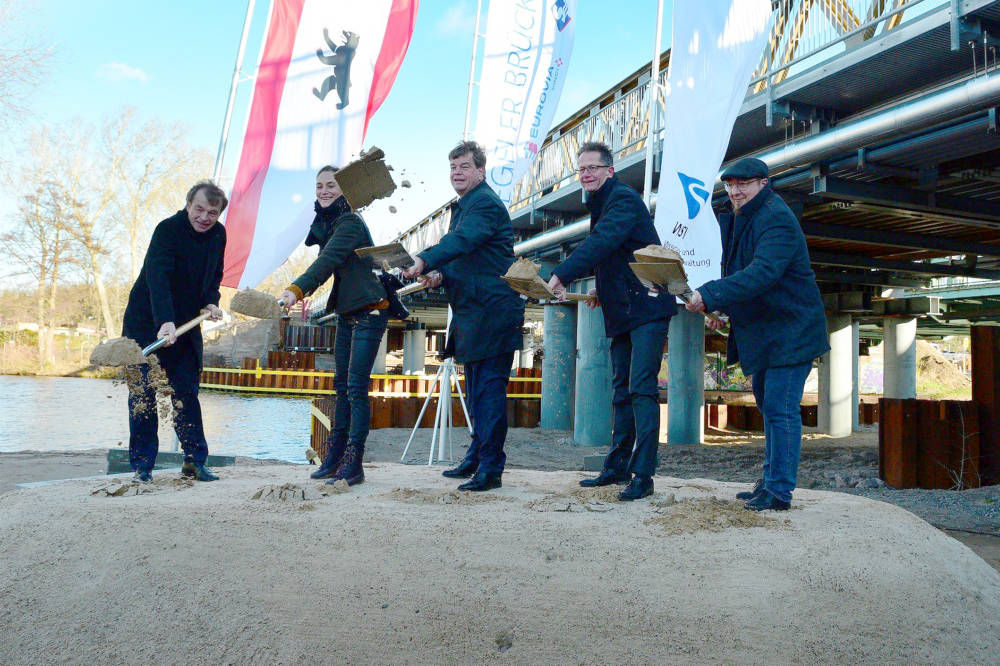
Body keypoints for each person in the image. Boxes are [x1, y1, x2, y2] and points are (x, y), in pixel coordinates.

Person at [685, 157, 829, 511]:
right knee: (770, 408)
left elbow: (764, 273)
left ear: (763, 183)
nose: (735, 191)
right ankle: (769, 484)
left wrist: (710, 294)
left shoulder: (775, 218)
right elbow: (750, 277)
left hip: (792, 332)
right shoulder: (746, 217)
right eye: (730, 185)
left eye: (743, 184)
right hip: (771, 332)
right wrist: (723, 309)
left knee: (780, 409)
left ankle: (779, 492)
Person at [547, 141, 675, 501]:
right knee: (620, 391)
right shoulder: (601, 203)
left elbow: (604, 242)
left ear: (610, 171)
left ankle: (644, 475)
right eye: (581, 169)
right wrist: (600, 291)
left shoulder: (622, 199)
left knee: (641, 389)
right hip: (623, 309)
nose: (586, 174)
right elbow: (616, 256)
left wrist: (563, 274)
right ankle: (617, 466)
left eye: (593, 168)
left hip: (648, 308)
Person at [402, 141, 525, 492]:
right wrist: (441, 275)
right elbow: (466, 256)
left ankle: (491, 468)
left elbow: (462, 242)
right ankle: (476, 455)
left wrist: (425, 261)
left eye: (464, 167)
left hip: (493, 313)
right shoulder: (467, 205)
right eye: (453, 167)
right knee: (476, 393)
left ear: (481, 171)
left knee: (488, 393)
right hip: (475, 313)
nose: (457, 172)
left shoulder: (483, 203)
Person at [281, 165, 390, 487]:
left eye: (331, 185)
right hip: (347, 311)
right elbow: (325, 259)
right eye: (319, 186)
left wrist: (296, 288)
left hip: (371, 310)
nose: (324, 191)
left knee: (356, 388)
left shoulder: (350, 223)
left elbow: (326, 261)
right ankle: (334, 455)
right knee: (340, 386)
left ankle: (354, 462)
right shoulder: (331, 222)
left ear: (345, 190)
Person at [122, 181, 227, 483]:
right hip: (146, 321)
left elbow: (214, 274)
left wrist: (210, 300)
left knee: (186, 392)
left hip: (186, 323)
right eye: (199, 209)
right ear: (188, 204)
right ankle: (143, 467)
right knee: (142, 394)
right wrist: (164, 321)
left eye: (212, 212)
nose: (205, 217)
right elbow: (158, 277)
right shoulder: (167, 230)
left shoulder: (218, 234)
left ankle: (194, 461)